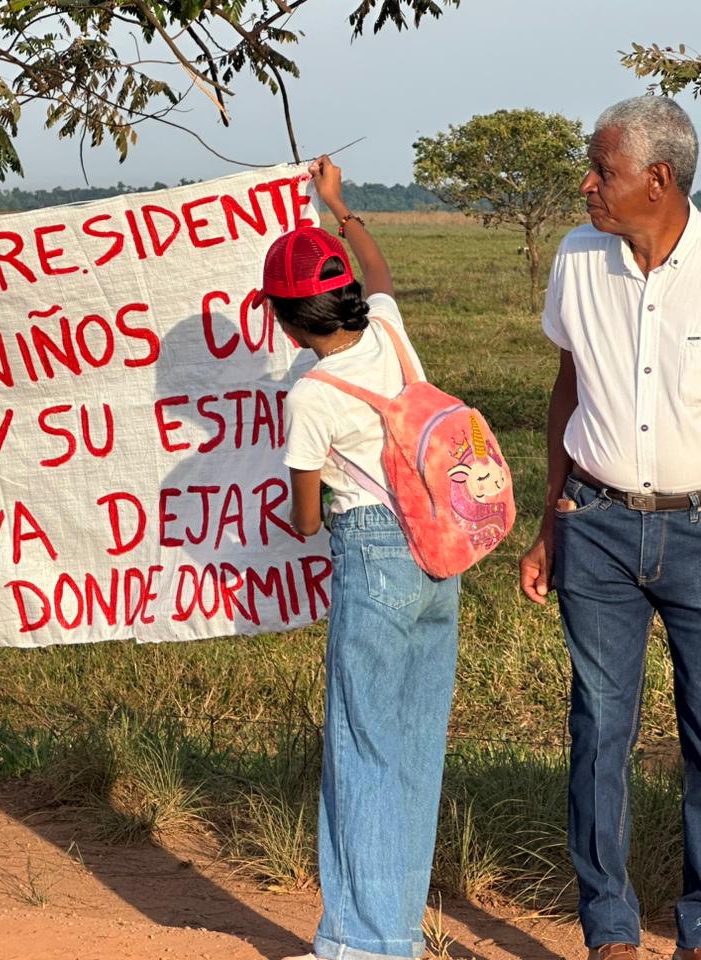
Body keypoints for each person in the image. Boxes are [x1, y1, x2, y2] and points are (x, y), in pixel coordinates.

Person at [519, 95, 701, 960]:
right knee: (599, 731)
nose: (587, 185)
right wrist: (550, 519)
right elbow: (569, 385)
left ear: (658, 179)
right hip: (592, 523)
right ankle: (611, 934)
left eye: (602, 170)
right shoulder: (577, 257)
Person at [272, 156, 461, 960]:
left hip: (375, 559)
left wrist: (293, 511)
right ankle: (395, 934)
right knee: (412, 752)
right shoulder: (387, 328)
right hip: (439, 554)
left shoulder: (311, 395)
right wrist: (339, 207)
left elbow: (305, 518)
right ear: (347, 295)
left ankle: (358, 945)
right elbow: (378, 270)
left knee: (361, 751)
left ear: (288, 325)